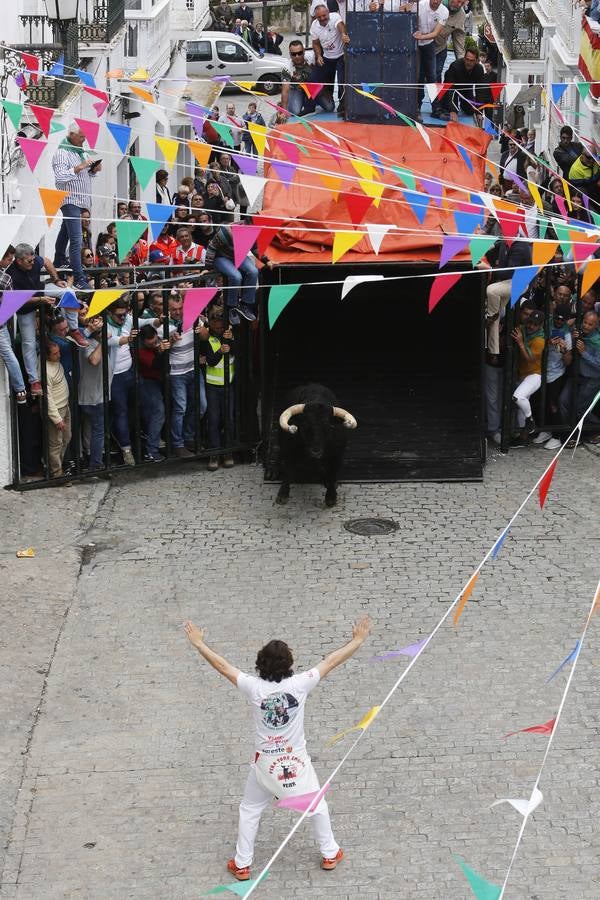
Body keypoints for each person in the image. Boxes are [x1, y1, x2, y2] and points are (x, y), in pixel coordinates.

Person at [183, 614, 372, 881]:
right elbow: (332, 660)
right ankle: (330, 853)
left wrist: (199, 644)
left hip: (264, 764)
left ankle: (242, 864)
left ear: (260, 665)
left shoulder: (254, 687)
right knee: (316, 805)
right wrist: (358, 640)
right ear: (289, 664)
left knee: (250, 810)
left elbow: (223, 666)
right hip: (296, 762)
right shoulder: (301, 684)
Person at [7, 244, 79, 398]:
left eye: (33, 260)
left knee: (68, 292)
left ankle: (74, 329)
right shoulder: (11, 274)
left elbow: (45, 261)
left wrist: (56, 278)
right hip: (24, 307)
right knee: (29, 343)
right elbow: (17, 300)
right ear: (18, 261)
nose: (33, 263)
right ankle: (34, 380)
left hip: (39, 291)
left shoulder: (34, 261)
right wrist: (41, 299)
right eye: (29, 261)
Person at [52, 122, 102, 291]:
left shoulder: (82, 151)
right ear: (71, 134)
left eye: (85, 136)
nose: (84, 139)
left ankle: (58, 261)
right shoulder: (62, 153)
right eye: (81, 136)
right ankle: (79, 277)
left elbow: (85, 176)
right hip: (69, 199)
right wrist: (79, 167)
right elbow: (60, 177)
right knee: (76, 239)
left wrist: (93, 170)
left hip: (81, 200)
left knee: (65, 233)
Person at [167, 293, 208, 458]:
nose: (177, 312)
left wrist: (200, 329)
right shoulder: (163, 324)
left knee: (202, 406)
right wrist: (170, 341)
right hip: (177, 373)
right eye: (173, 310)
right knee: (180, 408)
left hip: (193, 370)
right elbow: (160, 349)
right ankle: (178, 444)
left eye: (179, 309)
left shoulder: (193, 318)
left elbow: (205, 337)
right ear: (168, 310)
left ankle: (188, 436)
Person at [205, 224, 271, 325]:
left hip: (237, 255)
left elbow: (255, 250)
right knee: (236, 276)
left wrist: (267, 261)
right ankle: (232, 307)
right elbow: (211, 247)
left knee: (253, 271)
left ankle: (245, 304)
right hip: (221, 257)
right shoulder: (226, 232)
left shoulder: (253, 232)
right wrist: (208, 268)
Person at [532, 303, 573, 451]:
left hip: (556, 374)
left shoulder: (567, 334)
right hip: (540, 371)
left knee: (553, 404)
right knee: (539, 402)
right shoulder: (546, 325)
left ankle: (557, 436)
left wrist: (564, 350)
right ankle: (546, 430)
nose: (559, 321)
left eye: (562, 320)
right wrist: (549, 342)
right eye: (557, 318)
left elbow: (568, 362)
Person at [484, 236, 532, 359]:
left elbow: (508, 272)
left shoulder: (520, 247)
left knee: (491, 291)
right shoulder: (504, 241)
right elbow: (492, 246)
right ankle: (493, 350)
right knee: (495, 316)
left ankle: (492, 315)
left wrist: (488, 269)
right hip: (506, 281)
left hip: (519, 282)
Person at [199, 311, 236, 469]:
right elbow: (212, 362)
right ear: (211, 323)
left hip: (229, 385)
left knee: (229, 419)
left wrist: (232, 340)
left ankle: (228, 452)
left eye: (221, 323)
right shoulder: (208, 340)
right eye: (216, 323)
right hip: (213, 386)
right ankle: (214, 453)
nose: (218, 326)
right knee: (213, 420)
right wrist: (221, 351)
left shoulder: (230, 337)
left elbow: (238, 352)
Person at [401, 0, 449, 121]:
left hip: (428, 44)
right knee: (418, 77)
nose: (435, 1)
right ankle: (417, 109)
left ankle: (436, 109)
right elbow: (403, 11)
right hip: (415, 45)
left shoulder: (444, 11)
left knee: (433, 76)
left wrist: (421, 36)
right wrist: (406, 8)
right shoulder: (420, 5)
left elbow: (435, 33)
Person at [106, 299, 139, 466]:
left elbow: (142, 321)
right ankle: (126, 450)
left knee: (134, 408)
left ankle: (136, 443)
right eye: (119, 315)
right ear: (110, 313)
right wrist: (127, 339)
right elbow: (109, 341)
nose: (123, 318)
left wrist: (157, 321)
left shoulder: (127, 320)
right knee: (121, 412)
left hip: (130, 371)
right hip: (115, 376)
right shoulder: (105, 325)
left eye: (125, 314)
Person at [558, 310, 600, 432]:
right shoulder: (579, 333)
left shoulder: (597, 340)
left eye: (590, 324)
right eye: (585, 322)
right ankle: (568, 433)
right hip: (576, 375)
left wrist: (584, 353)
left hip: (591, 379)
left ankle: (596, 429)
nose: (586, 326)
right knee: (563, 401)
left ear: (596, 325)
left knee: (580, 408)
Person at [511, 309, 545, 445]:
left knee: (518, 397)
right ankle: (523, 439)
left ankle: (530, 421)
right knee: (521, 408)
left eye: (535, 324)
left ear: (541, 325)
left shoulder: (540, 340)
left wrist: (520, 342)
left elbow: (529, 359)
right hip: (522, 374)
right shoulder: (522, 329)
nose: (531, 326)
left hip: (534, 375)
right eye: (530, 322)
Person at [137, 323, 170, 462]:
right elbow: (155, 365)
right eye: (151, 341)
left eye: (155, 339)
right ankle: (152, 450)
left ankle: (153, 441)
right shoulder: (140, 350)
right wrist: (160, 351)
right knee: (158, 411)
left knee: (155, 414)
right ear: (143, 341)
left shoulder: (157, 342)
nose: (155, 342)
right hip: (148, 382)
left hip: (160, 380)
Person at [310, 4, 350, 117]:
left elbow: (341, 26)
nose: (322, 19)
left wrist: (343, 34)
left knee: (342, 82)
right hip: (327, 57)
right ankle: (312, 105)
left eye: (324, 16)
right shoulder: (314, 26)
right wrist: (318, 55)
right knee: (314, 78)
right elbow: (316, 43)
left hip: (341, 56)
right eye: (319, 17)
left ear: (328, 13)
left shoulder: (335, 17)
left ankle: (343, 107)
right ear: (316, 17)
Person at [0, 245, 27, 405]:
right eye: (9, 259)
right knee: (10, 356)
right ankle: (21, 390)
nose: (10, 263)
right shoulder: (5, 278)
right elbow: (10, 304)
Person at [281, 40, 335, 116]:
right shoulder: (287, 67)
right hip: (297, 89)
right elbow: (285, 91)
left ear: (304, 51)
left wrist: (324, 91)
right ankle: (294, 100)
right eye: (294, 54)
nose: (297, 56)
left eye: (300, 53)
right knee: (295, 111)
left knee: (330, 107)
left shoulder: (312, 57)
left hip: (313, 88)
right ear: (290, 54)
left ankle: (312, 101)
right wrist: (283, 112)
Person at [43, 339, 72, 478]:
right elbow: (47, 398)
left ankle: (57, 465)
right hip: (57, 410)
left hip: (64, 406)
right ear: (47, 356)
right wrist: (57, 419)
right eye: (55, 354)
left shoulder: (55, 362)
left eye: (58, 352)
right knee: (55, 443)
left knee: (66, 438)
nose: (59, 355)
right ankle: (56, 473)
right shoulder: (46, 371)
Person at [432, 47, 485, 120]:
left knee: (470, 111)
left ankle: (464, 105)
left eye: (471, 61)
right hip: (452, 90)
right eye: (467, 59)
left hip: (466, 90)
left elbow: (480, 90)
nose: (468, 63)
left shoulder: (479, 69)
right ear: (464, 58)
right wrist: (452, 110)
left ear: (476, 61)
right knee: (450, 110)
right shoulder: (455, 66)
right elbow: (449, 89)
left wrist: (479, 111)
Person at [433, 0, 466, 83]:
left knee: (436, 75)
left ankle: (438, 95)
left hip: (439, 48)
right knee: (419, 76)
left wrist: (462, 63)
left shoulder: (461, 15)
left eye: (462, 3)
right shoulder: (435, 3)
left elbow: (459, 40)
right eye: (458, 1)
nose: (459, 5)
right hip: (422, 47)